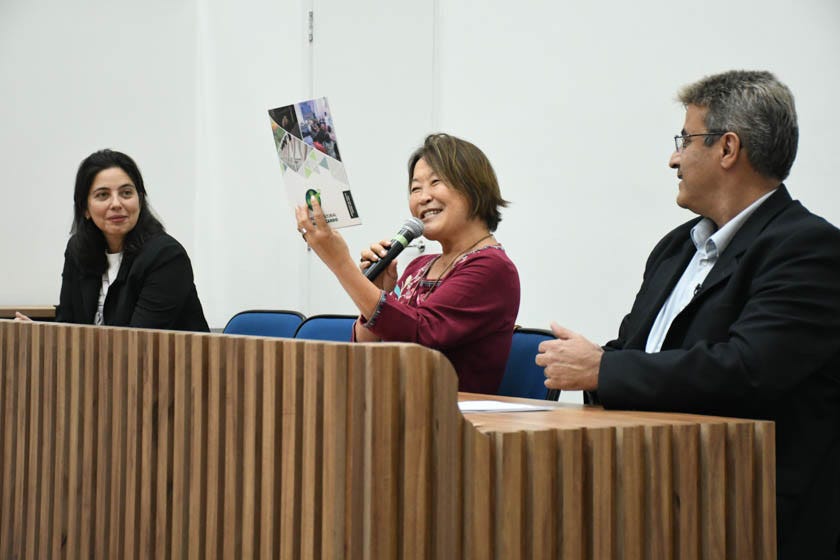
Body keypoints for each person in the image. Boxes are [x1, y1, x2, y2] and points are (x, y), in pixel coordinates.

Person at [536, 70, 840, 557]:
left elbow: (747, 369)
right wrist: (592, 363)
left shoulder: (808, 248)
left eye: (685, 139)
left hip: (749, 516)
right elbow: (640, 352)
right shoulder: (677, 247)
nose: (673, 158)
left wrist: (604, 368)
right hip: (653, 497)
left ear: (728, 148)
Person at [295, 133, 520, 394]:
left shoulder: (492, 268)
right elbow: (367, 351)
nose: (423, 197)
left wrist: (340, 264)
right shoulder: (419, 266)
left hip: (447, 415)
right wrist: (379, 292)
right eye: (415, 189)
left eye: (436, 182)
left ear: (473, 187)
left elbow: (419, 335)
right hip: (392, 408)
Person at [16, 149, 209, 331]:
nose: (116, 204)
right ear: (85, 209)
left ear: (140, 200)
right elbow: (68, 324)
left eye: (126, 193)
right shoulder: (78, 250)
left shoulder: (166, 256)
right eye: (103, 195)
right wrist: (39, 336)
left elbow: (139, 341)